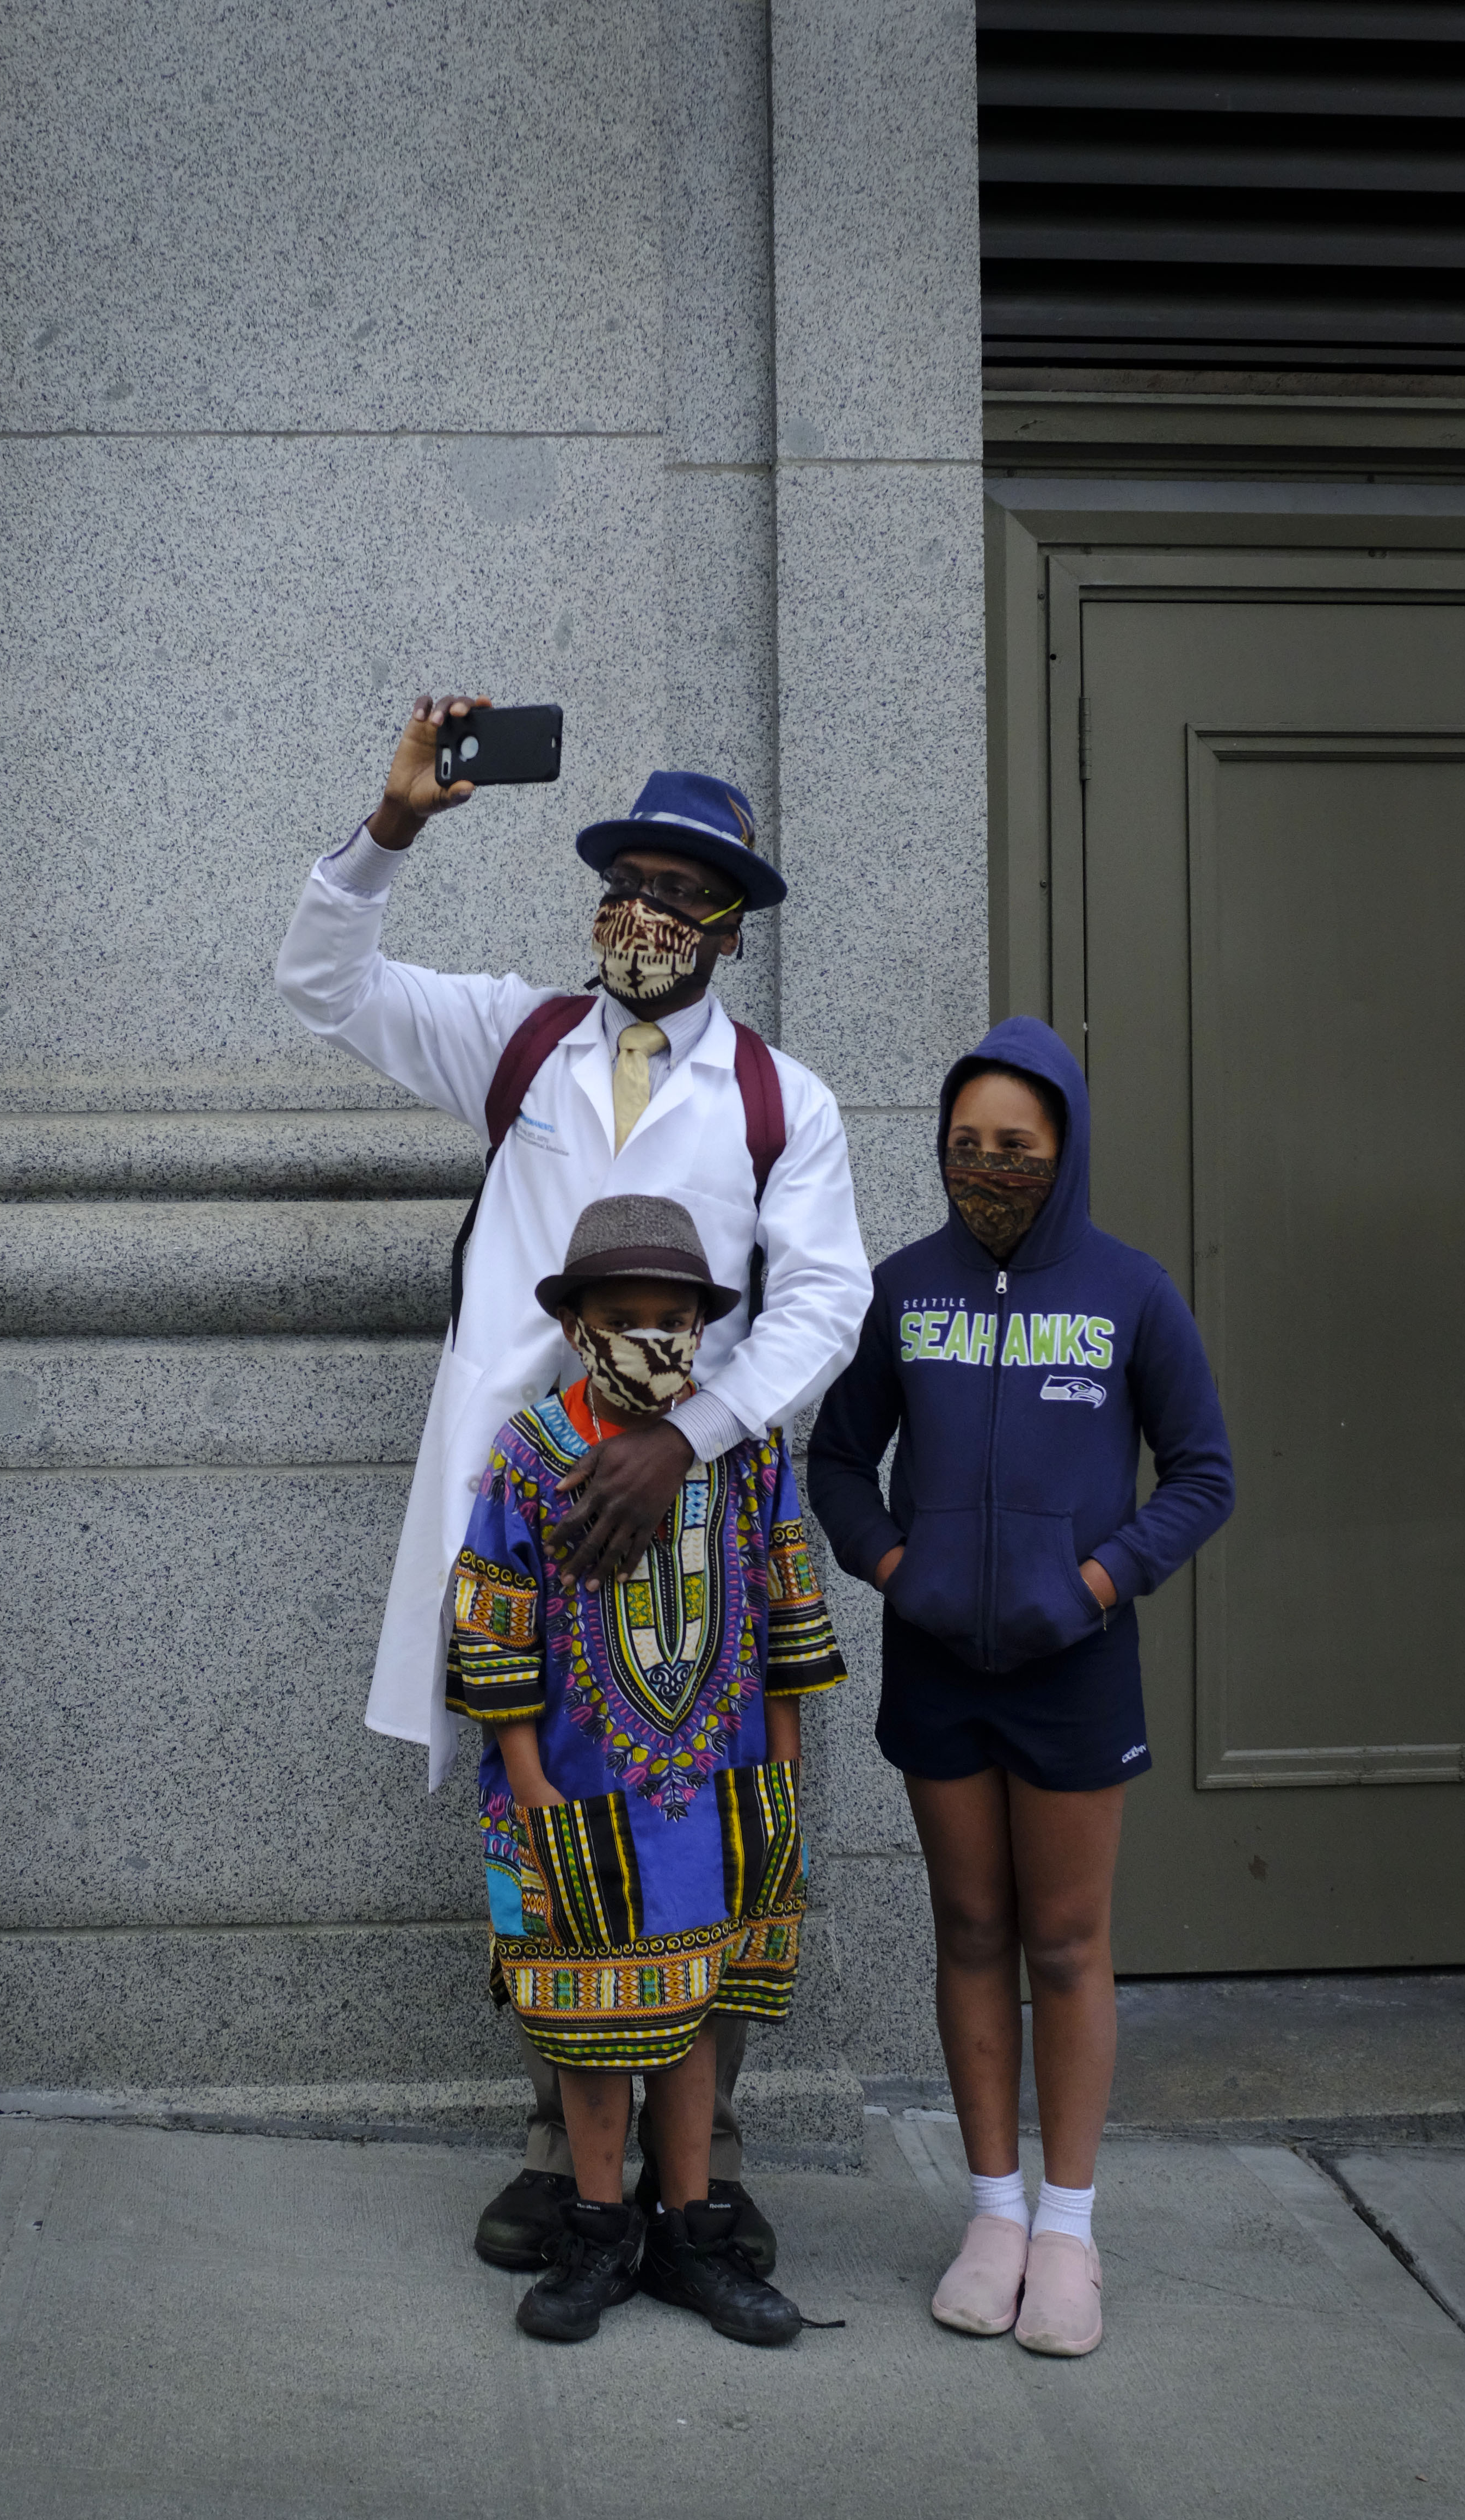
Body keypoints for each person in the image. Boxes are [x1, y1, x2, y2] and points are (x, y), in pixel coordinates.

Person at [275, 695, 871, 2277]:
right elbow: (321, 982)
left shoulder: (778, 1103)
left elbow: (824, 1300)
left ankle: (703, 2171)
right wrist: (393, 822)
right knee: (544, 1830)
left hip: (690, 1528)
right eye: (629, 881)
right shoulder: (521, 1040)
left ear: (730, 930)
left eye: (685, 894)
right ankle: (565, 2162)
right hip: (525, 1521)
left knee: (702, 1835)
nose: (648, 913)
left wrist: (688, 1438)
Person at [807, 1016, 1233, 2358]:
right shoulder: (905, 1290)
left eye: (1017, 1150)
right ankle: (990, 2215)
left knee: (1064, 1943)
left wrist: (1095, 1585)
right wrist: (890, 1562)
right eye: (965, 1148)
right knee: (970, 1931)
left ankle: (1067, 2230)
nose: (987, 1169)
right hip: (938, 1668)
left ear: (1065, 1151)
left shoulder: (1129, 1294)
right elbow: (834, 1461)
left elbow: (1204, 1475)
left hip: (1071, 1672)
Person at [447, 1194, 847, 2345]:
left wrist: (778, 1778)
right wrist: (529, 1792)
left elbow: (785, 1613)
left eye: (678, 1320)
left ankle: (691, 2232)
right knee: (585, 2024)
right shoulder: (528, 1457)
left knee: (693, 2011)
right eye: (626, 1317)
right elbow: (490, 1630)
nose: (656, 1342)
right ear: (574, 1325)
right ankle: (592, 2228)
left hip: (717, 1796)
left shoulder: (746, 1450)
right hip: (570, 1797)